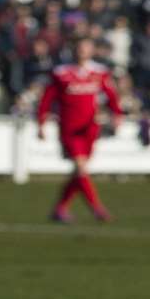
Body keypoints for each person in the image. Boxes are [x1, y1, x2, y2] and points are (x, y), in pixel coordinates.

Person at [35, 37, 123, 223]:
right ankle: (97, 209)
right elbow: (47, 99)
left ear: (92, 50)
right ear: (73, 49)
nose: (82, 51)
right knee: (81, 169)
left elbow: (111, 96)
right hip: (69, 128)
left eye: (86, 47)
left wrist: (117, 115)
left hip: (90, 128)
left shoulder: (99, 72)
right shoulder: (61, 73)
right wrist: (41, 123)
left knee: (79, 172)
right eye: (79, 47)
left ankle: (60, 209)